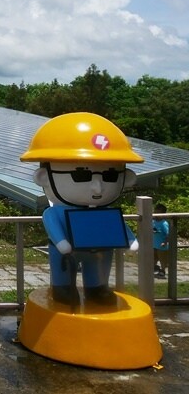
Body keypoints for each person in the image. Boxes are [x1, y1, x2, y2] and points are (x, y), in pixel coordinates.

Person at [20, 112, 143, 306]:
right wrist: (61, 243)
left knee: (99, 268)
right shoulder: (55, 212)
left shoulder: (106, 213)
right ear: (44, 177)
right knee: (63, 271)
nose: (98, 187)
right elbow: (52, 224)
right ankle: (63, 288)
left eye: (110, 176)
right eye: (81, 176)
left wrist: (130, 241)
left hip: (100, 250)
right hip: (66, 251)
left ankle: (97, 289)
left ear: (126, 177)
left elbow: (118, 227)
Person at [153, 203, 169, 279]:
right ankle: (154, 267)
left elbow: (168, 234)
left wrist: (165, 242)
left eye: (158, 213)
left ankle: (163, 270)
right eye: (155, 212)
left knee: (162, 259)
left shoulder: (164, 224)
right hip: (154, 244)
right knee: (154, 257)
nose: (156, 215)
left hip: (162, 246)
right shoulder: (153, 221)